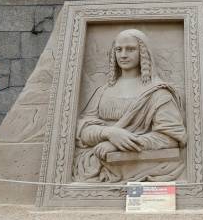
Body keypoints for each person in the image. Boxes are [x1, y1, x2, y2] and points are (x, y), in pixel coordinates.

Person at [69, 29, 187, 184]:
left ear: (143, 53)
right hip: (95, 163)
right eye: (118, 49)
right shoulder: (103, 91)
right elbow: (81, 128)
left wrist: (120, 144)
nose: (123, 55)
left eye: (130, 49)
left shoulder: (158, 92)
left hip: (145, 165)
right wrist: (108, 133)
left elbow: (171, 138)